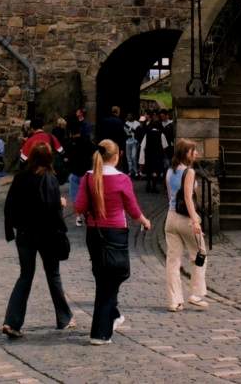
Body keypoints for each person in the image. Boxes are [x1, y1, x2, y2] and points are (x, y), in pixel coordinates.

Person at [75, 139, 151, 345]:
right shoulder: (122, 179)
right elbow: (132, 208)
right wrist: (144, 221)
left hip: (94, 232)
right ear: (117, 157)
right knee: (115, 275)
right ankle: (100, 333)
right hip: (115, 232)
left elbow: (79, 206)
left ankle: (113, 315)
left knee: (103, 277)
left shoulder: (88, 177)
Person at [2, 141, 74, 338]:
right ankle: (64, 317)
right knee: (53, 275)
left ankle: (12, 321)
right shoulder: (49, 179)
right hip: (46, 235)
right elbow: (50, 210)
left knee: (25, 276)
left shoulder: (20, 177)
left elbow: (10, 206)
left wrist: (12, 228)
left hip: (25, 234)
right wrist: (60, 205)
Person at [164, 138, 208, 312]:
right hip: (186, 219)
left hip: (170, 217)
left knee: (173, 261)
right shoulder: (189, 172)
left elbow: (170, 196)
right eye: (193, 150)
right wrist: (195, 220)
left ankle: (174, 301)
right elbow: (188, 198)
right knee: (200, 253)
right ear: (186, 154)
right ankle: (196, 294)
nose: (196, 153)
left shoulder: (170, 171)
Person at [66, 121, 94, 227]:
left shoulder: (69, 143)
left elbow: (66, 157)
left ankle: (78, 217)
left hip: (74, 172)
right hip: (86, 173)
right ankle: (87, 214)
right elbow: (96, 151)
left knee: (75, 197)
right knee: (87, 195)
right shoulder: (87, 142)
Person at [139, 110, 167, 193]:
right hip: (157, 156)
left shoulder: (147, 134)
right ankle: (154, 187)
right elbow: (164, 146)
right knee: (156, 171)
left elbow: (143, 146)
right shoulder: (161, 134)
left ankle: (148, 184)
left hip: (148, 155)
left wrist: (142, 158)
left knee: (149, 170)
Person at [124, 112, 139, 179]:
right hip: (128, 141)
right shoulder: (126, 123)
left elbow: (138, 132)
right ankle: (130, 171)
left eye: (130, 115)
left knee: (134, 156)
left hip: (135, 141)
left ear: (133, 116)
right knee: (128, 157)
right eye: (128, 116)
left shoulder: (137, 123)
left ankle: (136, 171)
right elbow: (125, 132)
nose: (128, 117)